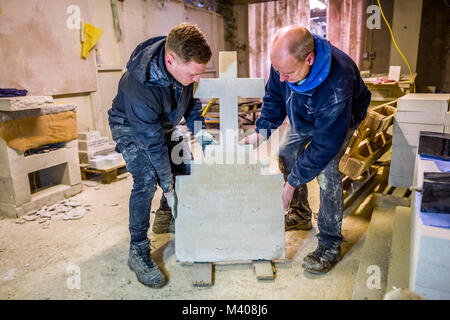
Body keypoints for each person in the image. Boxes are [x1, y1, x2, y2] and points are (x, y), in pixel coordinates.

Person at [241, 25, 371, 274]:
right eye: (277, 70)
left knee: (326, 171)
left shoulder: (337, 86)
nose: (280, 77)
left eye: (286, 72)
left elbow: (323, 146)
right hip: (305, 113)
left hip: (338, 118)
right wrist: (262, 130)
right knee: (286, 152)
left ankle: (329, 242)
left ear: (309, 59)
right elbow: (275, 96)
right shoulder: (284, 60)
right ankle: (300, 214)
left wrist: (290, 185)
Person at [108, 23, 214, 288]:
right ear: (170, 61)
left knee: (184, 167)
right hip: (131, 127)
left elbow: (191, 102)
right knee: (147, 180)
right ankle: (138, 251)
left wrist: (200, 132)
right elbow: (153, 143)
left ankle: (166, 217)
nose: (197, 79)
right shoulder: (139, 85)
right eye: (193, 74)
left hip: (163, 123)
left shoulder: (182, 69)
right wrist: (166, 184)